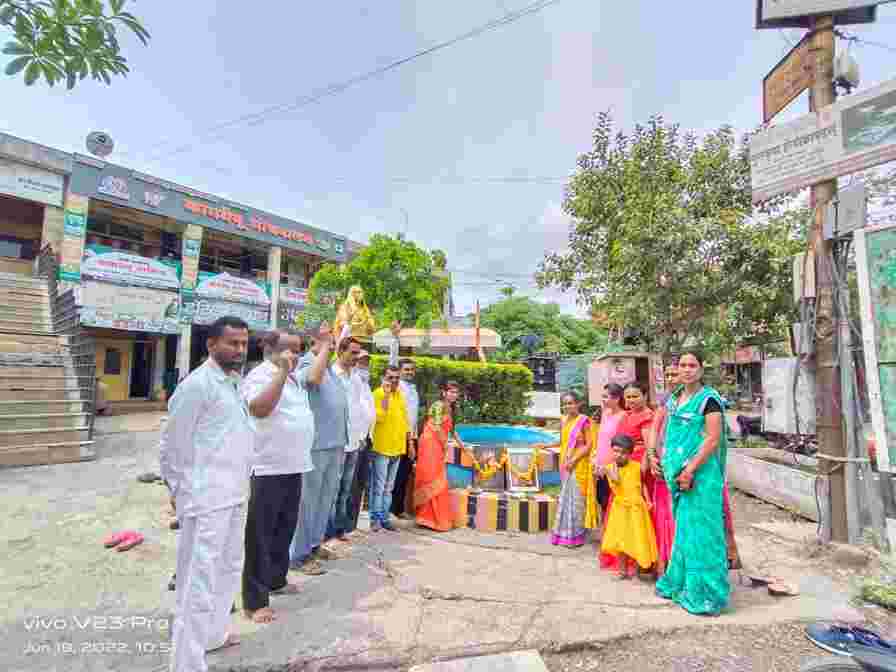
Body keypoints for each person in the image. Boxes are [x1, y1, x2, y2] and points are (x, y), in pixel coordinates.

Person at [159, 316, 254, 672]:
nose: (240, 350)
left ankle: (213, 635)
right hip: (207, 499)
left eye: (244, 344)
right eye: (232, 343)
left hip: (234, 493)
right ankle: (186, 663)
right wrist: (182, 495)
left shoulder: (233, 383)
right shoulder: (197, 385)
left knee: (228, 570)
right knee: (197, 582)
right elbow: (173, 448)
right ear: (211, 344)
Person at [239, 331, 310, 624]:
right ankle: (255, 601)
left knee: (284, 528)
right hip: (268, 467)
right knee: (261, 535)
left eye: (297, 350)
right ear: (269, 349)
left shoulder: (294, 378)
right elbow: (259, 408)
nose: (293, 355)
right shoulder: (262, 374)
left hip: (294, 464)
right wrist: (281, 371)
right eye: (287, 349)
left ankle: (276, 580)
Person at [655, 351, 731, 616]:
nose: (687, 370)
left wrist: (690, 469)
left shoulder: (709, 400)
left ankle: (708, 594)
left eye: (692, 365)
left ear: (700, 369)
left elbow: (712, 439)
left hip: (701, 476)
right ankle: (683, 585)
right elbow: (668, 434)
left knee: (704, 535)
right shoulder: (675, 399)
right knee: (685, 533)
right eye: (682, 365)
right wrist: (659, 458)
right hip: (678, 475)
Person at [289, 322, 350, 576]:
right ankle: (298, 555)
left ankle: (314, 545)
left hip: (335, 443)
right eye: (326, 332)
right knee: (308, 502)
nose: (333, 335)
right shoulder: (307, 363)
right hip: (316, 445)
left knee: (325, 500)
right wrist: (325, 346)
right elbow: (312, 380)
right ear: (314, 338)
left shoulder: (330, 367)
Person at [600, 382, 655, 574]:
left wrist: (644, 470)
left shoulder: (648, 416)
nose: (630, 401)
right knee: (621, 513)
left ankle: (639, 558)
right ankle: (625, 556)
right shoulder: (628, 415)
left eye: (635, 396)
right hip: (622, 464)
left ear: (645, 395)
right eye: (628, 397)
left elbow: (650, 446)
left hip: (637, 467)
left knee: (638, 516)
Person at [599, 434, 658, 579]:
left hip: (637, 509)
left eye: (623, 453)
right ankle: (622, 571)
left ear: (630, 454)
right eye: (616, 451)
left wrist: (648, 500)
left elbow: (642, 483)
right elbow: (616, 480)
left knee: (638, 538)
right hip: (620, 509)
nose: (619, 455)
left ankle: (640, 569)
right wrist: (606, 469)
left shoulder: (637, 467)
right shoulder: (609, 468)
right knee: (621, 540)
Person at [327, 337, 367, 542]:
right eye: (352, 352)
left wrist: (361, 437)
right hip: (336, 442)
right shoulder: (331, 374)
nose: (356, 357)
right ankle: (326, 532)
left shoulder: (356, 377)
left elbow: (359, 409)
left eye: (358, 353)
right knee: (332, 490)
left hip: (353, 442)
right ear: (340, 351)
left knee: (345, 489)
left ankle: (339, 529)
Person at [545, 392, 596, 547]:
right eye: (565, 404)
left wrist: (573, 460)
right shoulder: (564, 421)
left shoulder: (584, 421)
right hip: (565, 464)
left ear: (579, 404)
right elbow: (563, 442)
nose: (568, 406)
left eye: (571, 403)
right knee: (565, 499)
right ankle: (563, 534)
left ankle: (576, 535)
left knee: (576, 500)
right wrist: (543, 446)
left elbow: (588, 445)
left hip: (578, 464)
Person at [414, 380, 465, 531]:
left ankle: (434, 518)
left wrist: (463, 446)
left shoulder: (451, 408)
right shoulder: (438, 405)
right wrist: (444, 444)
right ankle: (426, 518)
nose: (454, 395)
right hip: (430, 444)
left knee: (437, 478)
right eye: (451, 391)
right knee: (430, 477)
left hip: (438, 445)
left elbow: (452, 430)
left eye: (456, 392)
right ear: (444, 393)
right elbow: (435, 427)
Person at [370, 365, 410, 532]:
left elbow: (405, 420)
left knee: (389, 487)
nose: (394, 381)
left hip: (397, 447)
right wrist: (385, 396)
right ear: (383, 378)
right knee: (378, 487)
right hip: (382, 447)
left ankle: (385, 518)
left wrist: (409, 443)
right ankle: (375, 520)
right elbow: (379, 417)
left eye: (396, 378)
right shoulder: (377, 394)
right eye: (390, 378)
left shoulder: (400, 395)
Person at [389, 322, 419, 519]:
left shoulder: (413, 389)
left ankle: (397, 510)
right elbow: (391, 362)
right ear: (399, 372)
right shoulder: (397, 386)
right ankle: (392, 510)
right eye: (406, 369)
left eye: (411, 370)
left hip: (412, 436)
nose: (409, 372)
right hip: (400, 437)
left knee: (404, 474)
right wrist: (395, 339)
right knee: (395, 474)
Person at [348, 350, 376, 531]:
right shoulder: (351, 382)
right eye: (360, 362)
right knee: (348, 486)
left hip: (367, 439)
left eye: (366, 362)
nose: (364, 365)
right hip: (354, 441)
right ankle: (342, 526)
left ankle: (352, 524)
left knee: (359, 484)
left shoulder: (366, 385)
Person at [593, 384, 625, 514]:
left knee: (610, 501)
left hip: (612, 466)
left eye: (606, 397)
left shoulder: (623, 416)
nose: (603, 400)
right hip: (599, 465)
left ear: (616, 399)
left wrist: (607, 466)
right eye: (603, 396)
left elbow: (619, 444)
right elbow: (601, 441)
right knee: (600, 498)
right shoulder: (605, 413)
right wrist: (597, 462)